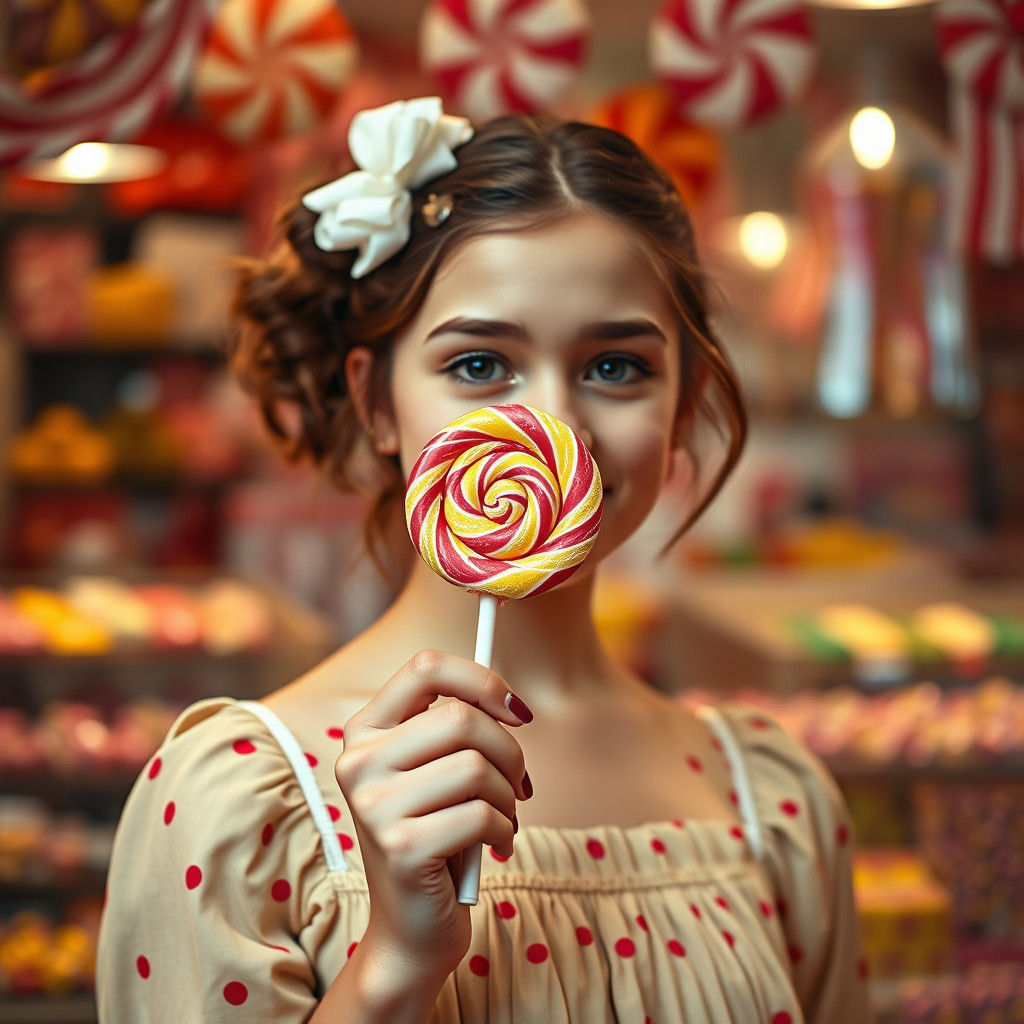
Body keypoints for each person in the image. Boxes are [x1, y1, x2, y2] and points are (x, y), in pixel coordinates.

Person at [96, 96, 872, 1024]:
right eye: (478, 366)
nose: (551, 424)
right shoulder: (236, 804)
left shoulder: (772, 803)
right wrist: (393, 961)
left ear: (682, 405)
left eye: (616, 366)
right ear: (377, 404)